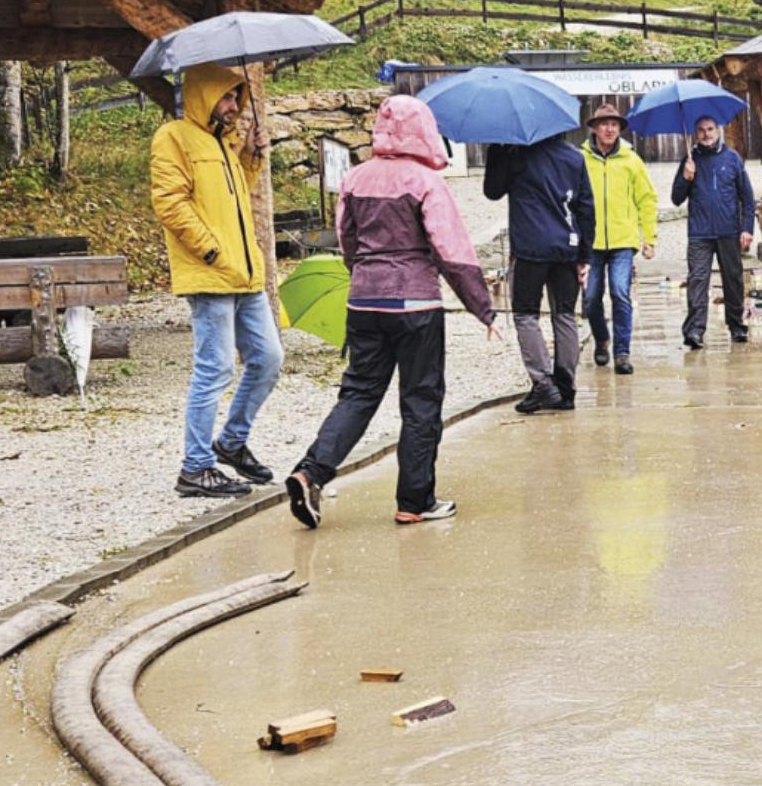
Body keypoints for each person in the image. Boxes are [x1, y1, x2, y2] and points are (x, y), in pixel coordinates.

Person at [285, 96, 500, 529]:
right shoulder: (425, 181)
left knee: (359, 393)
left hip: (363, 301)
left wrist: (365, 275)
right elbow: (451, 250)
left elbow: (346, 242)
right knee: (420, 400)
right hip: (416, 304)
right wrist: (482, 307)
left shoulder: (355, 178)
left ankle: (312, 471)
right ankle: (415, 500)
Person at [149, 63, 282, 499]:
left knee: (267, 358)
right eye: (227, 97)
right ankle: (196, 467)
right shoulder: (174, 137)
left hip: (245, 275)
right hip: (210, 273)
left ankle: (231, 442)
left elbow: (236, 195)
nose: (234, 106)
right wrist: (210, 250)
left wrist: (250, 156)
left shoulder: (223, 143)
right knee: (215, 369)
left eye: (237, 99)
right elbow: (170, 203)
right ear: (205, 95)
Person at [485, 128, 594, 414]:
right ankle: (567, 386)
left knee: (525, 314)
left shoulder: (517, 155)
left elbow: (492, 191)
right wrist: (585, 254)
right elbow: (586, 207)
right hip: (566, 247)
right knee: (565, 315)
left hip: (530, 248)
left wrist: (497, 149)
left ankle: (544, 383)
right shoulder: (574, 157)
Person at [581, 105, 658, 374]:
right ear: (594, 128)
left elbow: (646, 199)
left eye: (614, 124)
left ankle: (622, 352)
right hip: (589, 243)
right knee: (590, 299)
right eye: (604, 124)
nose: (609, 129)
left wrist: (649, 237)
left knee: (620, 293)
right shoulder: (581, 159)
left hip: (623, 240)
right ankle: (602, 338)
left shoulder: (630, 160)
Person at [672, 114, 756, 349]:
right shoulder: (689, 160)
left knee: (733, 279)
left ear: (717, 131)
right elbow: (676, 198)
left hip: (729, 230)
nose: (706, 134)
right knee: (698, 280)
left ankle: (737, 325)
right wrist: (686, 178)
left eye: (710, 129)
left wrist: (747, 228)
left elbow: (747, 199)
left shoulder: (732, 159)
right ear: (695, 134)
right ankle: (695, 331)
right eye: (700, 130)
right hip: (699, 233)